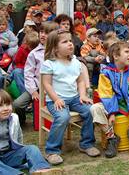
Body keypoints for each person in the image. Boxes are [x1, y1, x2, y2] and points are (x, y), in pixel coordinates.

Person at [0, 89, 60, 175]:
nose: (6, 108)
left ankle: (41, 170)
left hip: (8, 156)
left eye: (8, 104)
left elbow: (18, 137)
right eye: (0, 105)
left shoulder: (13, 119)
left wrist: (19, 150)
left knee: (32, 148)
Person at [41, 29, 100, 165]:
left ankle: (86, 144)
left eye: (70, 41)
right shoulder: (49, 64)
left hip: (74, 98)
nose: (70, 44)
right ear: (55, 48)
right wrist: (56, 99)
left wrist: (83, 95)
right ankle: (52, 150)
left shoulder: (74, 62)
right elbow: (47, 84)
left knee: (90, 110)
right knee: (63, 117)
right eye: (65, 42)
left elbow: (80, 80)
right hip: (55, 100)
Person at [13, 22, 58, 126]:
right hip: (37, 87)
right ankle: (21, 121)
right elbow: (28, 74)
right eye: (41, 32)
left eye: (46, 33)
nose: (42, 35)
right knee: (17, 104)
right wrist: (33, 91)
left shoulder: (58, 51)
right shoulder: (34, 53)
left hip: (55, 87)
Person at [11, 32, 39, 97]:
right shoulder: (23, 49)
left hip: (35, 71)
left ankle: (10, 77)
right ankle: (25, 94)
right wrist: (24, 68)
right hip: (23, 68)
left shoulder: (38, 51)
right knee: (17, 72)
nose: (30, 48)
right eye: (29, 46)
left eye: (32, 47)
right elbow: (17, 61)